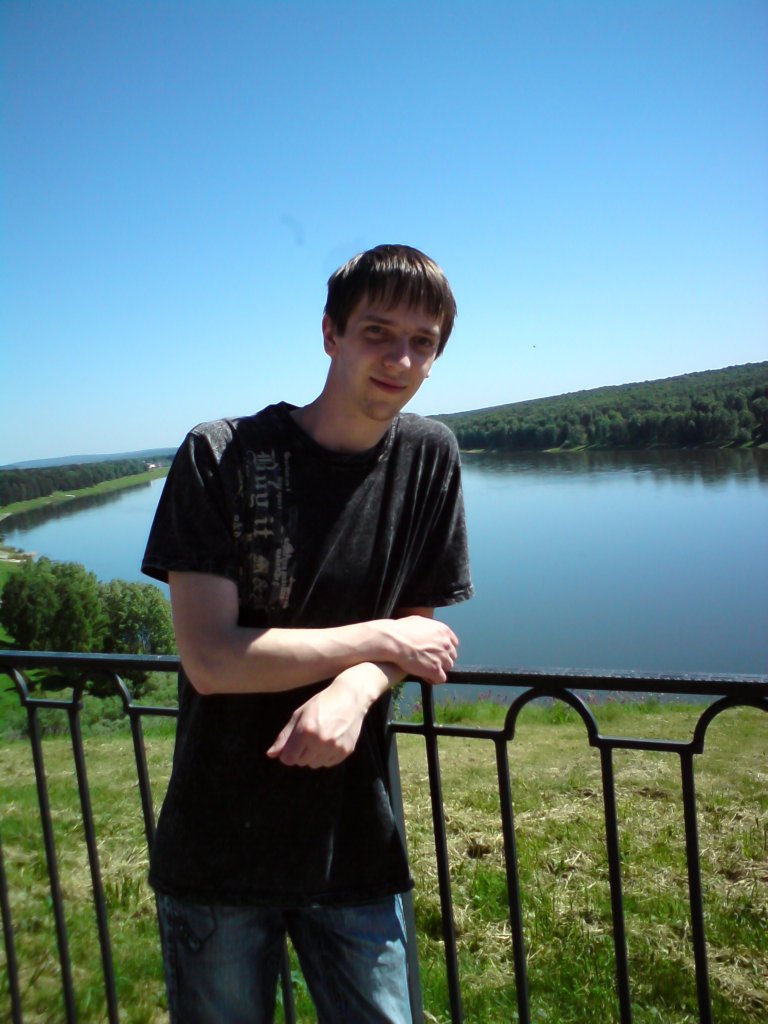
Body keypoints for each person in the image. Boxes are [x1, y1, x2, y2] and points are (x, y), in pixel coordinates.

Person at [141, 243, 473, 1023]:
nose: (399, 359)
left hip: (353, 841)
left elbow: (417, 633)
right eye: (377, 332)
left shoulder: (429, 457)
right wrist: (380, 640)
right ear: (330, 333)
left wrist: (354, 690)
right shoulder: (221, 454)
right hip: (218, 848)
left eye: (422, 342)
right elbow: (212, 660)